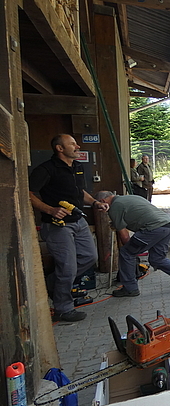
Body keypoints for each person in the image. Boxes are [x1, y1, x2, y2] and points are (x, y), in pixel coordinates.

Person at [29, 134, 109, 322]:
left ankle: (53, 282)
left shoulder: (77, 167)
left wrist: (95, 202)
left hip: (78, 221)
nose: (78, 146)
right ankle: (63, 308)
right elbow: (27, 193)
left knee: (90, 256)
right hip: (58, 225)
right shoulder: (46, 169)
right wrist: (50, 209)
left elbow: (79, 192)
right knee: (67, 267)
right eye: (72, 144)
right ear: (60, 148)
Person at [95, 191, 170, 297]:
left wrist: (131, 249)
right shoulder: (130, 197)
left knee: (126, 253)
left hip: (153, 228)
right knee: (157, 259)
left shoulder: (114, 207)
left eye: (99, 206)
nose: (100, 210)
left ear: (103, 201)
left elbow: (125, 237)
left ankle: (130, 288)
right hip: (167, 225)